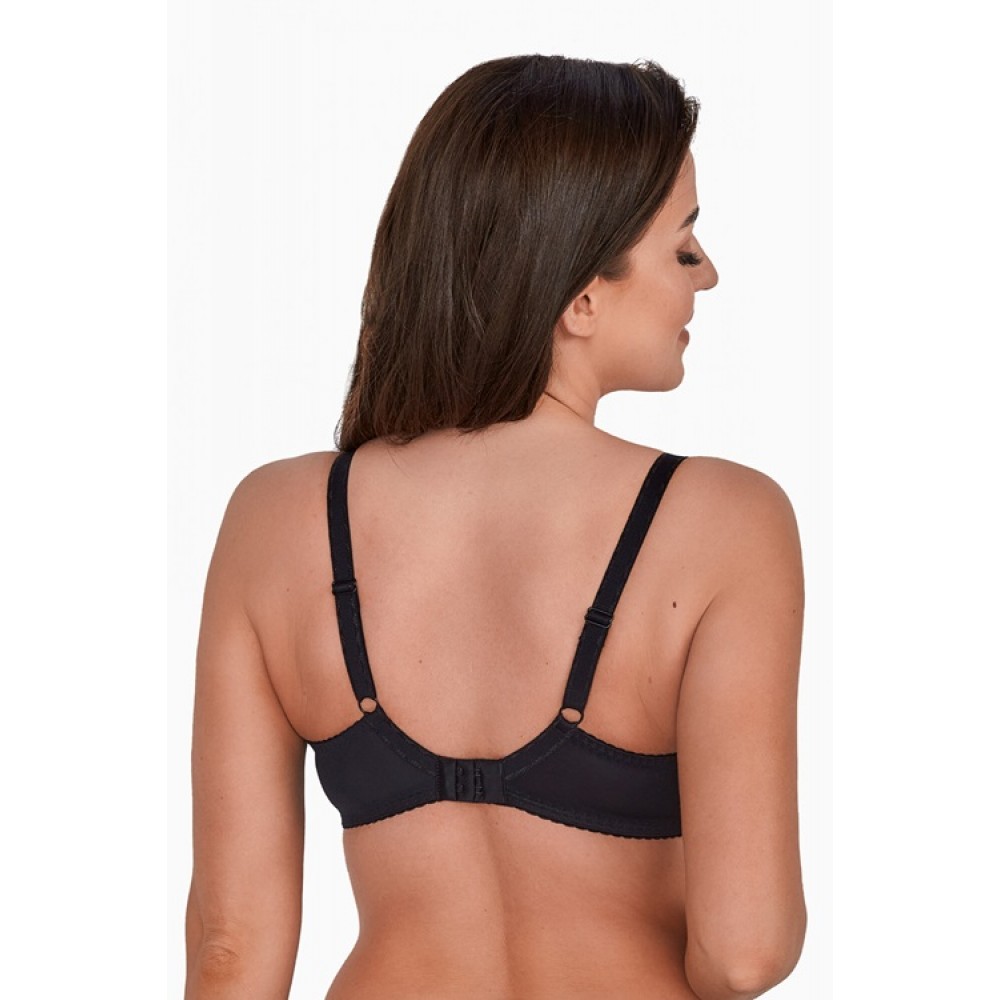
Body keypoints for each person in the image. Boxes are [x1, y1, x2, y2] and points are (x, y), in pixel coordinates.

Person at [184, 54, 806, 1000]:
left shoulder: (278, 520)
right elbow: (744, 951)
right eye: (684, 247)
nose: (708, 274)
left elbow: (232, 952)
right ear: (581, 297)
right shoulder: (724, 522)